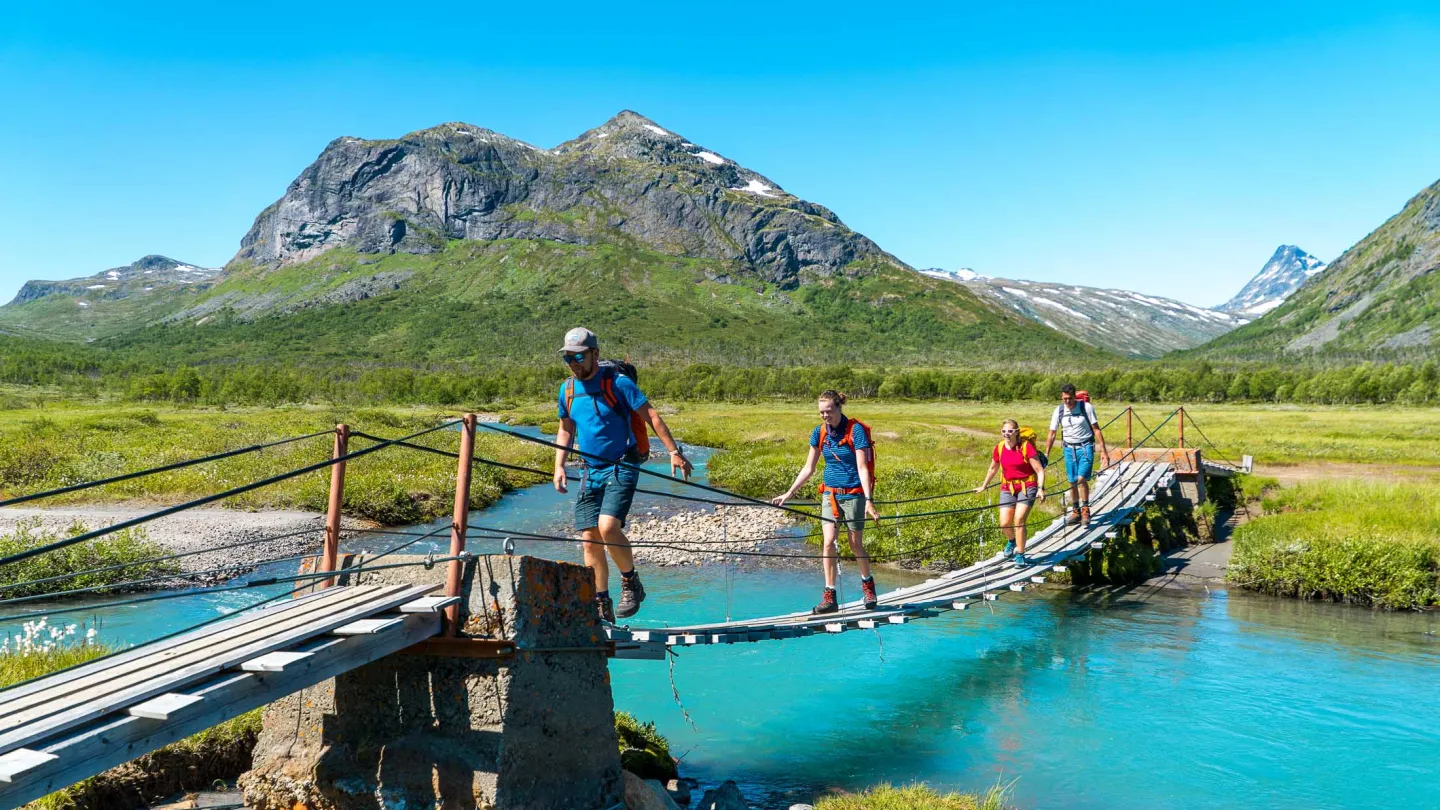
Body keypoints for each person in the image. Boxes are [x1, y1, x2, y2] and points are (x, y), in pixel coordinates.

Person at [553, 327, 693, 623]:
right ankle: (601, 601)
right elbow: (566, 429)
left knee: (607, 527)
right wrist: (559, 465)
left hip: (622, 462)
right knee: (589, 539)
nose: (574, 363)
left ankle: (630, 582)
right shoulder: (567, 390)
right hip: (590, 468)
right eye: (568, 358)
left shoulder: (618, 383)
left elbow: (651, 416)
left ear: (595, 354)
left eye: (579, 356)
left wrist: (673, 451)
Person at [771, 390, 881, 614]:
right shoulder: (819, 432)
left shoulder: (855, 430)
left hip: (854, 493)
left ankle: (868, 587)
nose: (825, 416)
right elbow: (808, 468)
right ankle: (829, 596)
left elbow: (862, 468)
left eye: (829, 411)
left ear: (839, 407)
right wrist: (789, 493)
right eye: (821, 412)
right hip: (829, 495)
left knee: (854, 543)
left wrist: (869, 500)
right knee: (828, 542)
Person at [975, 419, 1046, 566]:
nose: (1006, 434)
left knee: (1019, 520)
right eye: (1004, 431)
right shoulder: (999, 447)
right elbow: (993, 468)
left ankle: (1020, 554)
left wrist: (1040, 489)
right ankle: (1012, 541)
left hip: (1028, 486)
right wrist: (984, 485)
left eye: (1010, 431)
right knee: (1004, 523)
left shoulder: (1026, 447)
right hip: (1007, 487)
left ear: (1016, 432)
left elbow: (1039, 470)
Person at [1043, 383, 1110, 528]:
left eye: (1070, 398)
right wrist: (1046, 453)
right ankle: (1076, 511)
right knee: (1072, 481)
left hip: (1085, 447)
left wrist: (1104, 452)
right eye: (1064, 399)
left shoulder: (1086, 408)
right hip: (1068, 449)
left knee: (1081, 479)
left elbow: (1096, 430)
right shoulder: (1059, 411)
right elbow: (1052, 433)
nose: (1067, 402)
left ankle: (1085, 509)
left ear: (1075, 397)